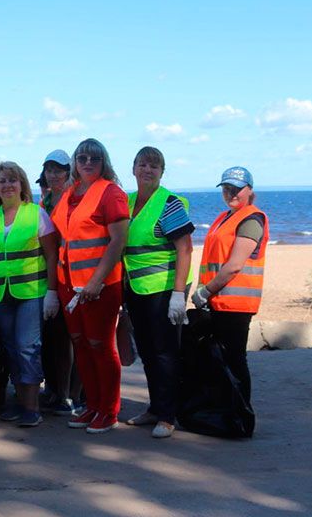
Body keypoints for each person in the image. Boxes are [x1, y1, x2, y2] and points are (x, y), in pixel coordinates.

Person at [51, 139, 129, 434]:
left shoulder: (111, 193)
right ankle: (92, 405)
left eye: (94, 158)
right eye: (81, 157)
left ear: (103, 161)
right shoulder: (71, 193)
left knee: (101, 345)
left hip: (100, 286)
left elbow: (118, 241)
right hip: (69, 285)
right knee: (81, 344)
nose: (87, 162)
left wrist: (96, 281)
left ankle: (109, 410)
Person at [0, 162, 59, 427]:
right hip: (0, 293)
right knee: (11, 349)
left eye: (12, 180)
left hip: (31, 292)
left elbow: (51, 255)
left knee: (27, 348)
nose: (7, 185)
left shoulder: (36, 214)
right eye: (2, 181)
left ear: (21, 184)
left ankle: (31, 407)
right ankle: (20, 401)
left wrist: (52, 292)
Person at [122, 147, 194, 439]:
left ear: (162, 172)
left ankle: (167, 415)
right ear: (134, 168)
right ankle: (154, 407)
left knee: (165, 352)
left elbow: (185, 248)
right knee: (148, 351)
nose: (148, 170)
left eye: (154, 166)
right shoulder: (127, 202)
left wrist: (179, 294)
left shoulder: (169, 203)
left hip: (164, 289)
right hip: (137, 289)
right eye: (143, 164)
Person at [192, 166, 268, 408]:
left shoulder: (251, 219)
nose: (231, 192)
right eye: (226, 188)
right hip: (218, 301)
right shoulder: (224, 217)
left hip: (235, 303)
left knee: (235, 359)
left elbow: (234, 265)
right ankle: (224, 410)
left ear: (249, 190)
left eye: (236, 188)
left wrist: (205, 291)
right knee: (220, 357)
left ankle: (241, 414)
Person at [37, 149, 80, 417]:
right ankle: (55, 390)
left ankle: (70, 395)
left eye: (59, 169)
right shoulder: (47, 199)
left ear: (68, 172)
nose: (54, 174)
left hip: (75, 277)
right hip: (54, 276)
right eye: (49, 170)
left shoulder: (75, 196)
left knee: (72, 340)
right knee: (54, 339)